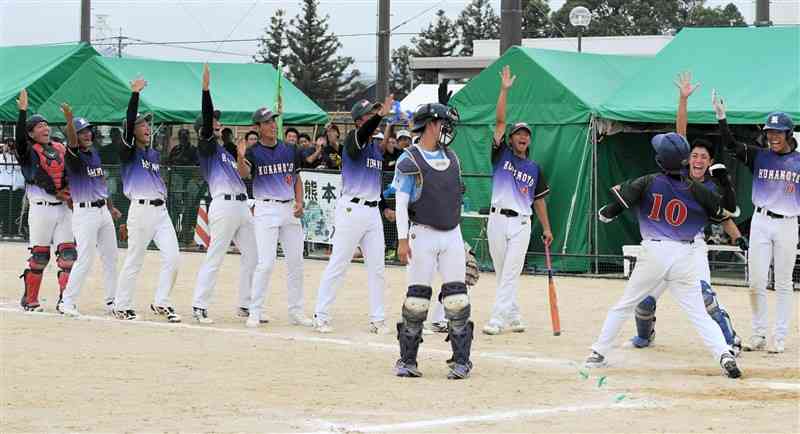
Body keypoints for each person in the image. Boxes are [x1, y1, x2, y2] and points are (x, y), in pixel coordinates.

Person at [584, 129, 742, 379]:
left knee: (624, 305)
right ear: (685, 160)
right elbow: (728, 211)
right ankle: (724, 354)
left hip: (654, 253)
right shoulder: (698, 190)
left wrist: (604, 213)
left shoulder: (647, 181)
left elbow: (613, 209)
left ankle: (599, 352)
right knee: (698, 313)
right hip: (685, 255)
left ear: (660, 161)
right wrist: (725, 184)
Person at [630, 73, 747, 354]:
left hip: (692, 249)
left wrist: (739, 239)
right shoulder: (678, 172)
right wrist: (683, 99)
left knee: (706, 298)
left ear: (709, 163)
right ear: (686, 158)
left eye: (703, 157)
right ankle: (645, 336)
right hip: (661, 247)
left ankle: (730, 340)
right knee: (643, 302)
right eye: (694, 155)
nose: (697, 159)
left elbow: (724, 217)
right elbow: (679, 133)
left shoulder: (709, 188)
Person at [391, 102, 473, 379]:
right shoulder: (409, 160)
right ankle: (407, 360)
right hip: (422, 234)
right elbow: (401, 203)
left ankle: (461, 361)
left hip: (452, 234)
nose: (445, 130)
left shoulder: (453, 158)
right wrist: (402, 241)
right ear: (430, 125)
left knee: (457, 298)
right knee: (417, 300)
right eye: (442, 124)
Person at [715, 93, 799, 355]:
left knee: (784, 282)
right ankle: (759, 333)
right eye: (769, 132)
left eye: (778, 133)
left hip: (787, 223)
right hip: (761, 221)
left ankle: (780, 336)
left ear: (788, 133)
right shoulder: (758, 156)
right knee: (756, 281)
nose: (772, 137)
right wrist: (721, 117)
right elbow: (730, 144)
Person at [312, 96, 394, 334]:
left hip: (371, 212)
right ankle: (321, 313)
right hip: (351, 210)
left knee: (377, 268)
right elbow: (364, 132)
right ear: (359, 121)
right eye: (370, 115)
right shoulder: (353, 141)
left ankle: (378, 318)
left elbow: (375, 184)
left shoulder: (375, 149)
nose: (374, 118)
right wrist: (380, 115)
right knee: (339, 263)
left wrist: (384, 207)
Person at [484, 65, 553, 336]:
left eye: (527, 134)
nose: (523, 137)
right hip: (497, 219)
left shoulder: (535, 168)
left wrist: (546, 227)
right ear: (511, 139)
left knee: (511, 272)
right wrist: (504, 90)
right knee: (502, 271)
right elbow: (500, 121)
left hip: (522, 223)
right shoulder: (501, 156)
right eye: (518, 134)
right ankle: (513, 313)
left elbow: (539, 200)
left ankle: (498, 318)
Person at [190, 64, 259, 324]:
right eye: (213, 121)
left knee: (253, 255)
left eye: (218, 120)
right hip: (224, 205)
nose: (217, 122)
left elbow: (246, 175)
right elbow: (207, 119)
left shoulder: (225, 152)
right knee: (216, 255)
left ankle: (245, 304)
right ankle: (199, 304)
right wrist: (206, 91)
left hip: (242, 206)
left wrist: (241, 156)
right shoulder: (207, 147)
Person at [114, 76, 181, 322]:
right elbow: (130, 120)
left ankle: (162, 302)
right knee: (135, 259)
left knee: (173, 258)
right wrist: (134, 95)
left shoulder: (151, 153)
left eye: (147, 124)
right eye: (142, 124)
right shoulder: (128, 150)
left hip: (160, 212)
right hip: (141, 210)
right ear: (131, 130)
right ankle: (122, 305)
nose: (146, 127)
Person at [238, 107, 312, 328]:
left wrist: (300, 201)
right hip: (265, 208)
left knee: (296, 262)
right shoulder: (252, 152)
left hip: (289, 207)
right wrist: (240, 157)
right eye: (267, 122)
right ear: (258, 127)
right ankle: (255, 310)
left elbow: (297, 178)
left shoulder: (290, 149)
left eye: (273, 121)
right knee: (266, 263)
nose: (272, 125)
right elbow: (244, 175)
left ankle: (296, 311)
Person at [14, 88, 76, 312]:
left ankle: (65, 300)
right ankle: (30, 299)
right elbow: (19, 140)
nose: (45, 128)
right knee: (39, 256)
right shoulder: (28, 151)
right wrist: (23, 112)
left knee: (68, 255)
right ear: (31, 133)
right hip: (41, 209)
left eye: (46, 124)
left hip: (63, 208)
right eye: (39, 126)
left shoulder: (60, 147)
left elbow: (74, 159)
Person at [57, 105, 121, 318]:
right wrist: (69, 120)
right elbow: (73, 143)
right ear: (73, 135)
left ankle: (113, 301)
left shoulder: (93, 153)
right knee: (85, 258)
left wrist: (110, 207)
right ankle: (67, 301)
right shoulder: (73, 156)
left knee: (111, 257)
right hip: (84, 213)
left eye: (88, 130)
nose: (87, 134)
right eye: (81, 131)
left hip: (102, 211)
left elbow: (100, 181)